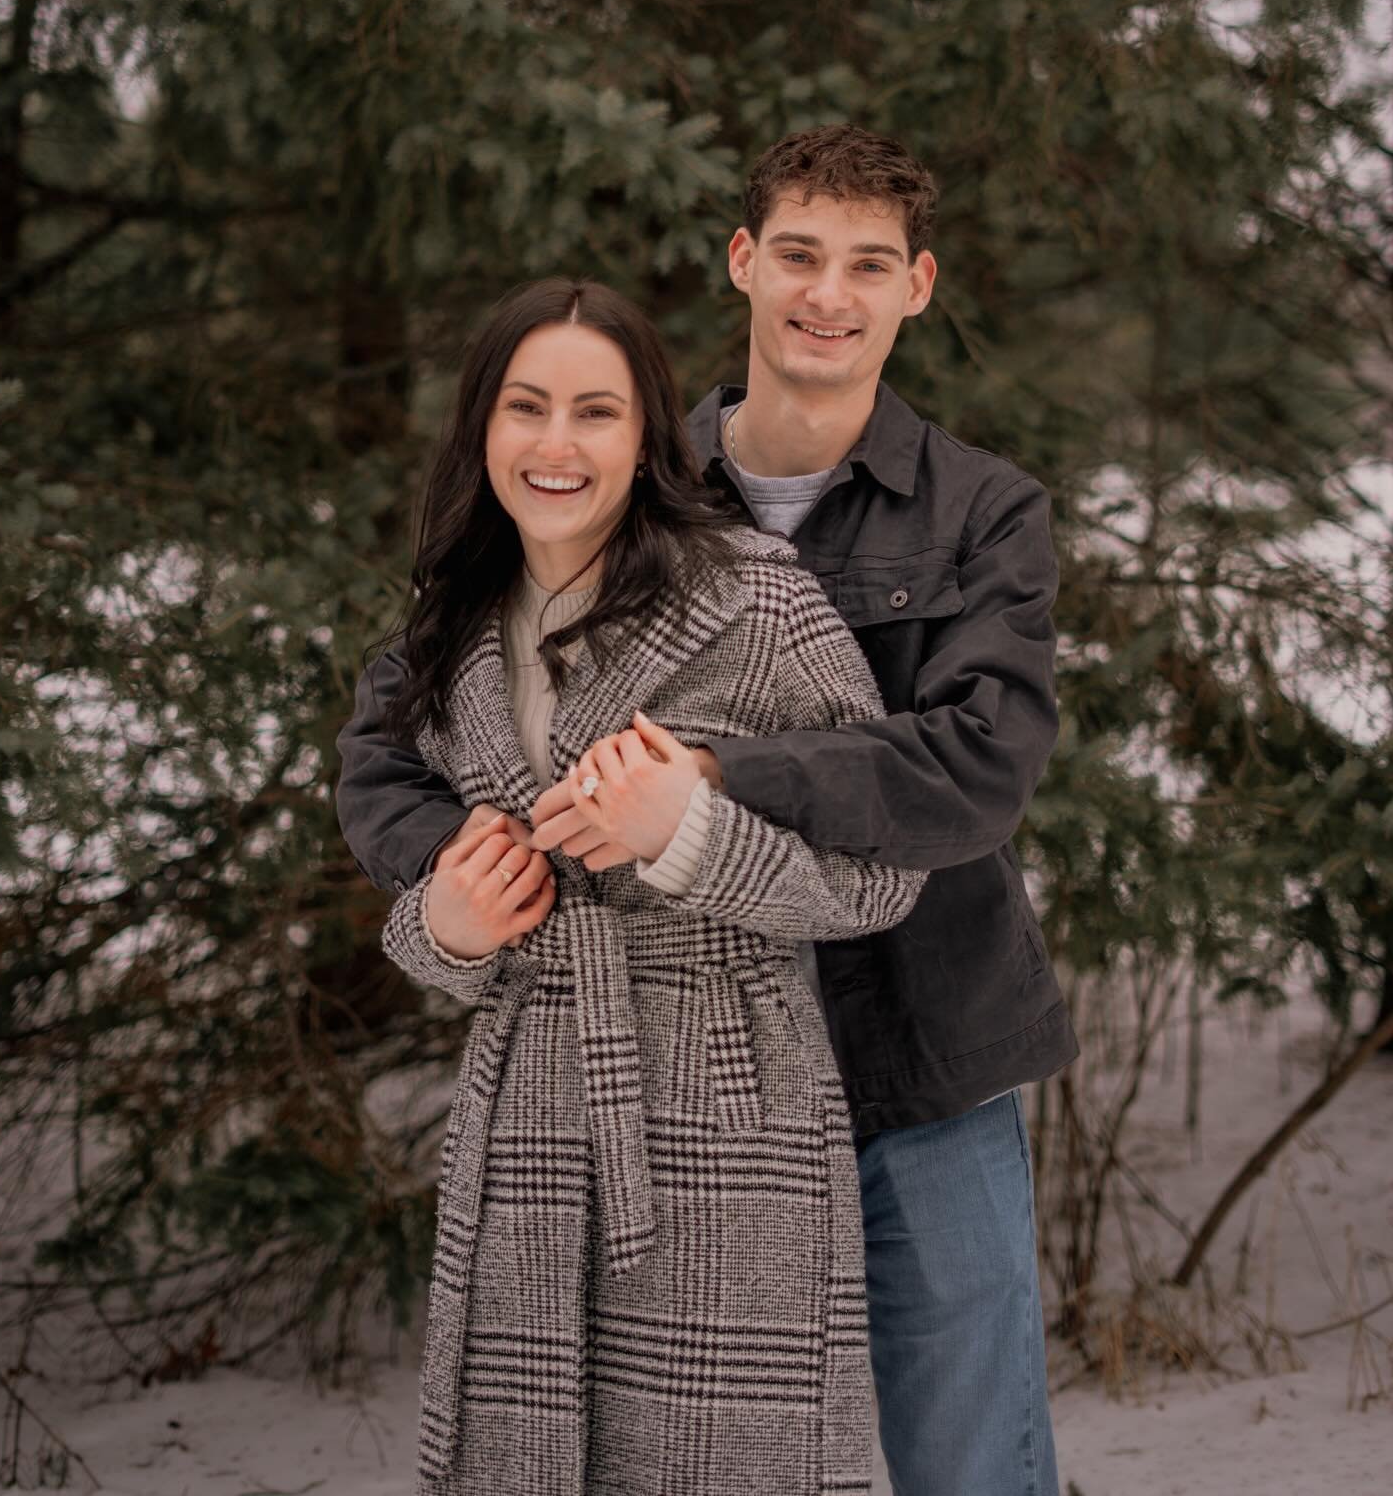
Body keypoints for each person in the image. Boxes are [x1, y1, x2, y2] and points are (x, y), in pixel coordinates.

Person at [339, 123, 1078, 1496]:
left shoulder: (982, 510)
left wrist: (715, 781)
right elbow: (405, 717)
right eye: (798, 253)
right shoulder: (619, 471)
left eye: (868, 263)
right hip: (692, 1072)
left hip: (922, 1038)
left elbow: (979, 765)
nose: (827, 293)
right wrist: (455, 870)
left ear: (919, 286)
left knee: (964, 1450)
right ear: (744, 263)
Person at [364, 274, 926, 1496]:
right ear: (483, 429)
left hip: (732, 1096)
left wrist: (694, 835)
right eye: (526, 406)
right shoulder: (448, 622)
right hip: (528, 1098)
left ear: (648, 433)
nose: (556, 444)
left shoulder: (757, 596)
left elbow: (885, 878)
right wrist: (440, 930)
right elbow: (436, 886)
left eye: (597, 411)